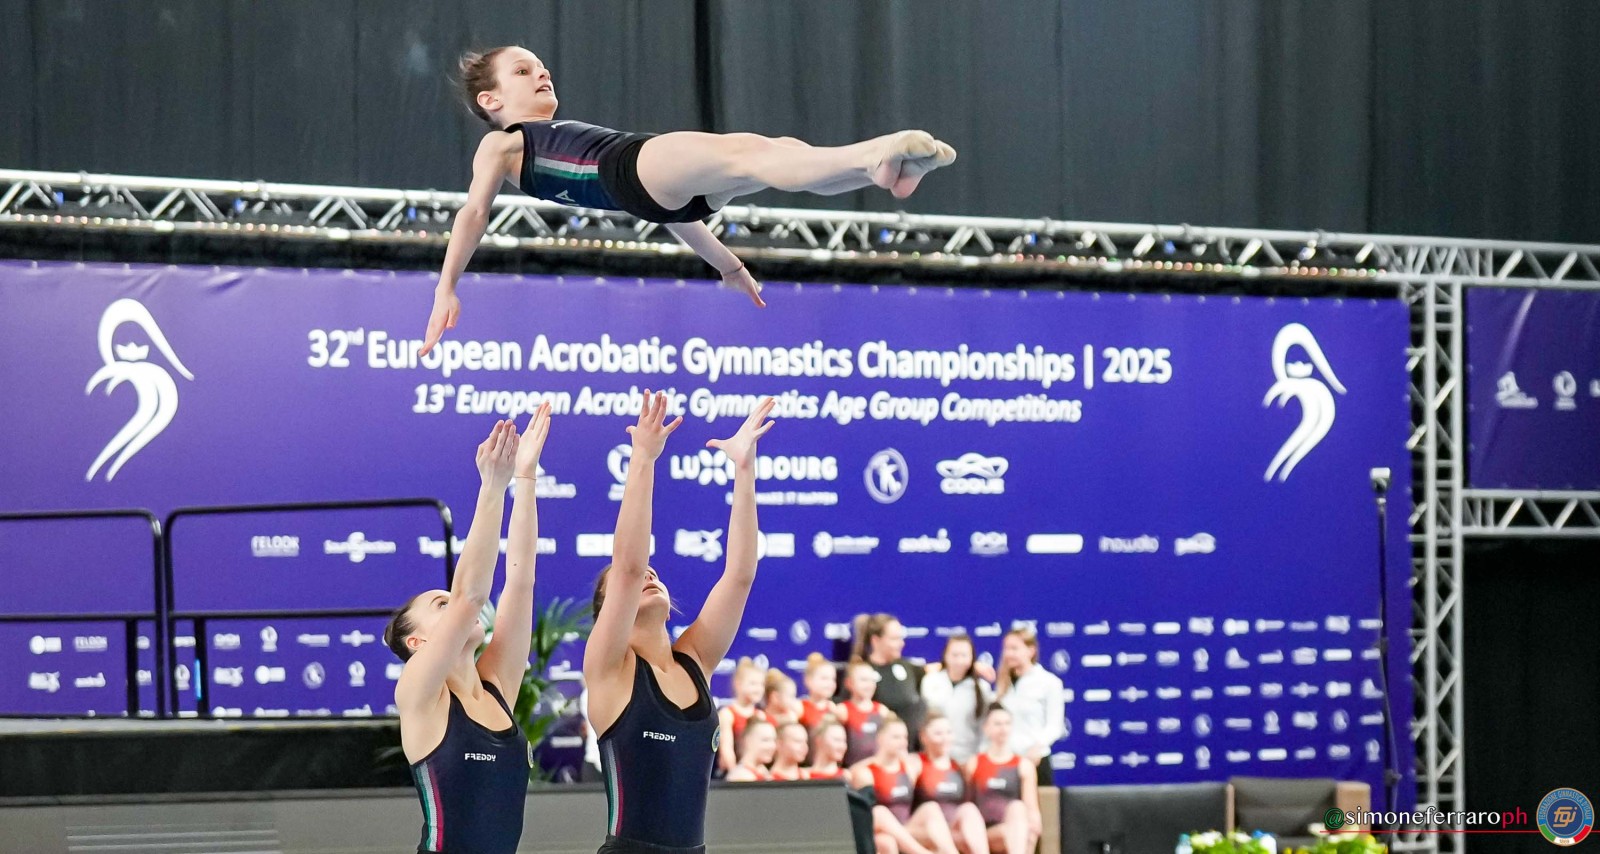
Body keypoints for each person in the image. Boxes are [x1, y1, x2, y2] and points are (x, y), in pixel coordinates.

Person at [421, 46, 958, 354]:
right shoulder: (502, 144)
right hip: (629, 164)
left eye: (542, 68)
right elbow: (474, 213)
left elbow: (668, 212)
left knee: (777, 153)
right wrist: (446, 288)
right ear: (490, 99)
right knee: (754, 154)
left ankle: (883, 169)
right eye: (522, 71)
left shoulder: (548, 140)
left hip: (660, 197)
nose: (541, 72)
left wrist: (727, 265)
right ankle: (875, 157)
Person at [583, 392, 776, 854]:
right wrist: (644, 460)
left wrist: (744, 469)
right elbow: (629, 566)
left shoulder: (696, 660)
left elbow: (740, 574)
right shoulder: (609, 669)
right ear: (611, 611)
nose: (648, 576)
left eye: (656, 574)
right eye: (635, 582)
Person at [383, 405, 552, 854]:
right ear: (417, 642)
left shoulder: (498, 687)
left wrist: (526, 478)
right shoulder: (419, 693)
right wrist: (492, 487)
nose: (456, 606)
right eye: (440, 605)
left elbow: (520, 579)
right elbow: (469, 597)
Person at [850, 716, 958, 854]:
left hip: (905, 827)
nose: (902, 742)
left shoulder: (910, 767)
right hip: (880, 829)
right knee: (880, 813)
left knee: (931, 808)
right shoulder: (865, 771)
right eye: (896, 737)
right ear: (880, 738)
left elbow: (933, 762)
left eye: (904, 737)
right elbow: (865, 814)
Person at [993, 627, 1065, 784]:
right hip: (1006, 762)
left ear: (1031, 651)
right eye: (1006, 649)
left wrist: (1037, 747)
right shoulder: (1002, 683)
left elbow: (1054, 726)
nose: (1009, 654)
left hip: (1036, 761)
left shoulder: (1049, 682)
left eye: (1014, 648)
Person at [967, 707, 1042, 854]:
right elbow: (966, 805)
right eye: (998, 724)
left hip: (1016, 826)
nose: (1003, 729)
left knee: (1018, 809)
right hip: (984, 832)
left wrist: (1034, 827)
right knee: (1014, 831)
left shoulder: (1023, 765)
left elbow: (1032, 809)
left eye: (1007, 723)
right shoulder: (975, 763)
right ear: (986, 728)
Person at [918, 713, 989, 854]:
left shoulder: (959, 768)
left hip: (950, 829)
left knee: (969, 809)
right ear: (924, 737)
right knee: (932, 809)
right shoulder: (916, 764)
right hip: (923, 828)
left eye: (949, 733)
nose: (945, 738)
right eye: (938, 734)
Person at [920, 633, 994, 762]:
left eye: (964, 655)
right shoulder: (930, 681)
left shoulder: (982, 688)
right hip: (934, 757)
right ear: (945, 655)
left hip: (968, 757)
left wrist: (979, 758)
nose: (959, 661)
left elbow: (985, 727)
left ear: (972, 658)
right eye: (954, 655)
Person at [852, 613, 925, 744]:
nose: (901, 643)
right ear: (876, 640)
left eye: (901, 638)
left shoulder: (908, 667)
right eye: (894, 639)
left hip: (910, 750)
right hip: (878, 749)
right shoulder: (863, 673)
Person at [716, 657, 766, 773]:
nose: (758, 689)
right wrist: (735, 774)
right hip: (731, 773)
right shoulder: (727, 714)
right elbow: (726, 751)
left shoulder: (760, 716)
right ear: (738, 684)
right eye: (753, 684)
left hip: (754, 772)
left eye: (761, 684)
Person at [841, 659, 890, 767]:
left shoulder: (882, 711)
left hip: (877, 768)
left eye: (872, 680)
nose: (869, 685)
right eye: (863, 680)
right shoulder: (843, 711)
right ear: (849, 683)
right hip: (851, 768)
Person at [799, 653, 846, 731]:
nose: (829, 683)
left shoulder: (834, 709)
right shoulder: (800, 708)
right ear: (808, 680)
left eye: (833, 679)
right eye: (824, 678)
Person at [804, 717, 850, 782]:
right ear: (819, 740)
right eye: (837, 740)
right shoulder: (803, 775)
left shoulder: (846, 776)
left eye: (844, 741)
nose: (842, 746)